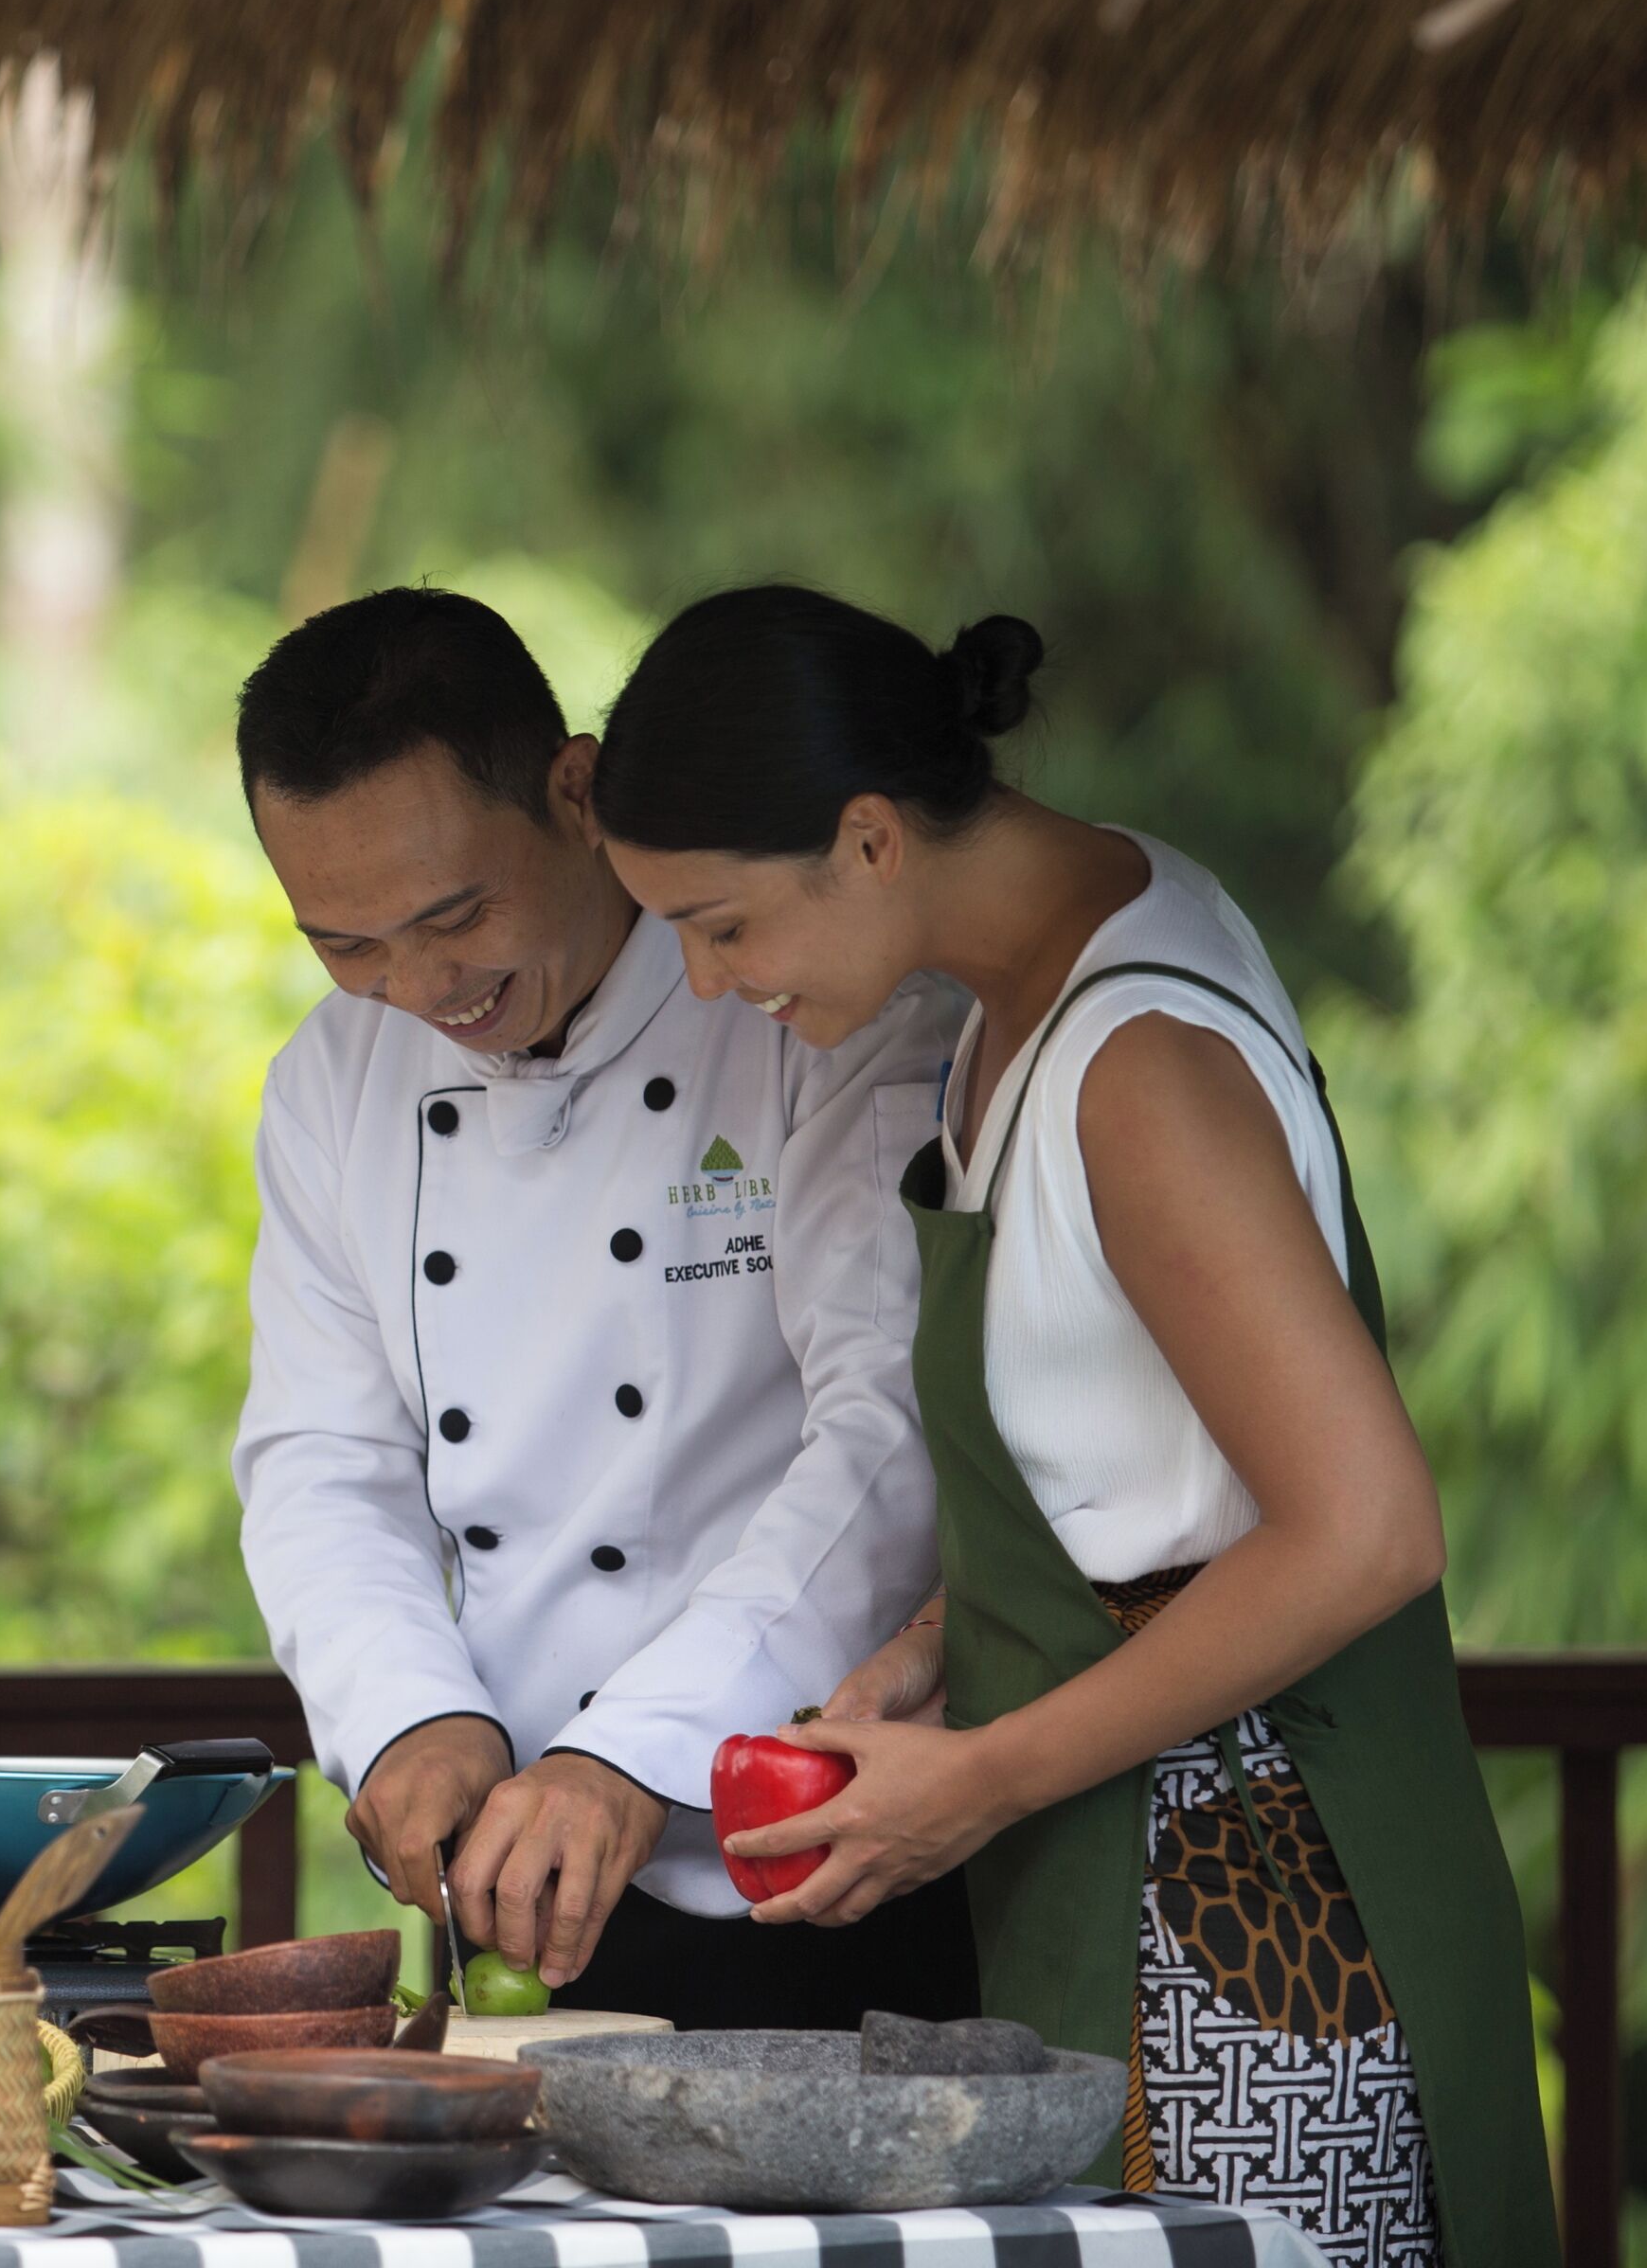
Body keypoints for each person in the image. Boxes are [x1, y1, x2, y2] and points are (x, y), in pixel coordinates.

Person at [586, 583, 1553, 2265]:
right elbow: (1153, 1472)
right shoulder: (1046, 974)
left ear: (870, 839)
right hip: (1119, 1907)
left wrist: (974, 1783)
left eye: (722, 924)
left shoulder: (1140, 1063)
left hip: (1256, 1951)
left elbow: (1367, 1528)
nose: (704, 978)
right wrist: (941, 1649)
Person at [229, 585, 978, 2030]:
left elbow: (888, 1432)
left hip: (822, 1856)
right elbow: (324, 1461)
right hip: (521, 1884)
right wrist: (409, 1713)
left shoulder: (805, 997)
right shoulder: (333, 1082)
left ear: (576, 792)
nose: (423, 987)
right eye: (348, 946)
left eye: (457, 915)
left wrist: (634, 1753)